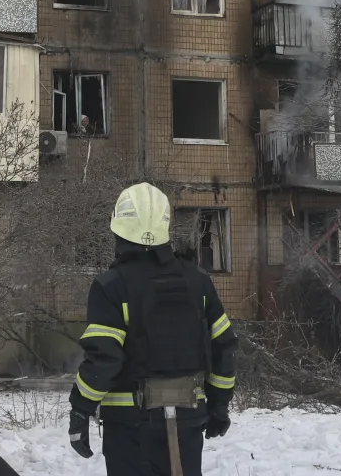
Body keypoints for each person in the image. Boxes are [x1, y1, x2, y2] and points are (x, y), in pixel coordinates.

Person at [68, 183, 239, 476]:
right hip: (187, 423)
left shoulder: (111, 287)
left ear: (118, 229)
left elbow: (104, 359)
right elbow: (224, 346)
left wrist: (81, 409)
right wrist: (219, 405)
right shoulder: (198, 282)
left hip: (129, 430)